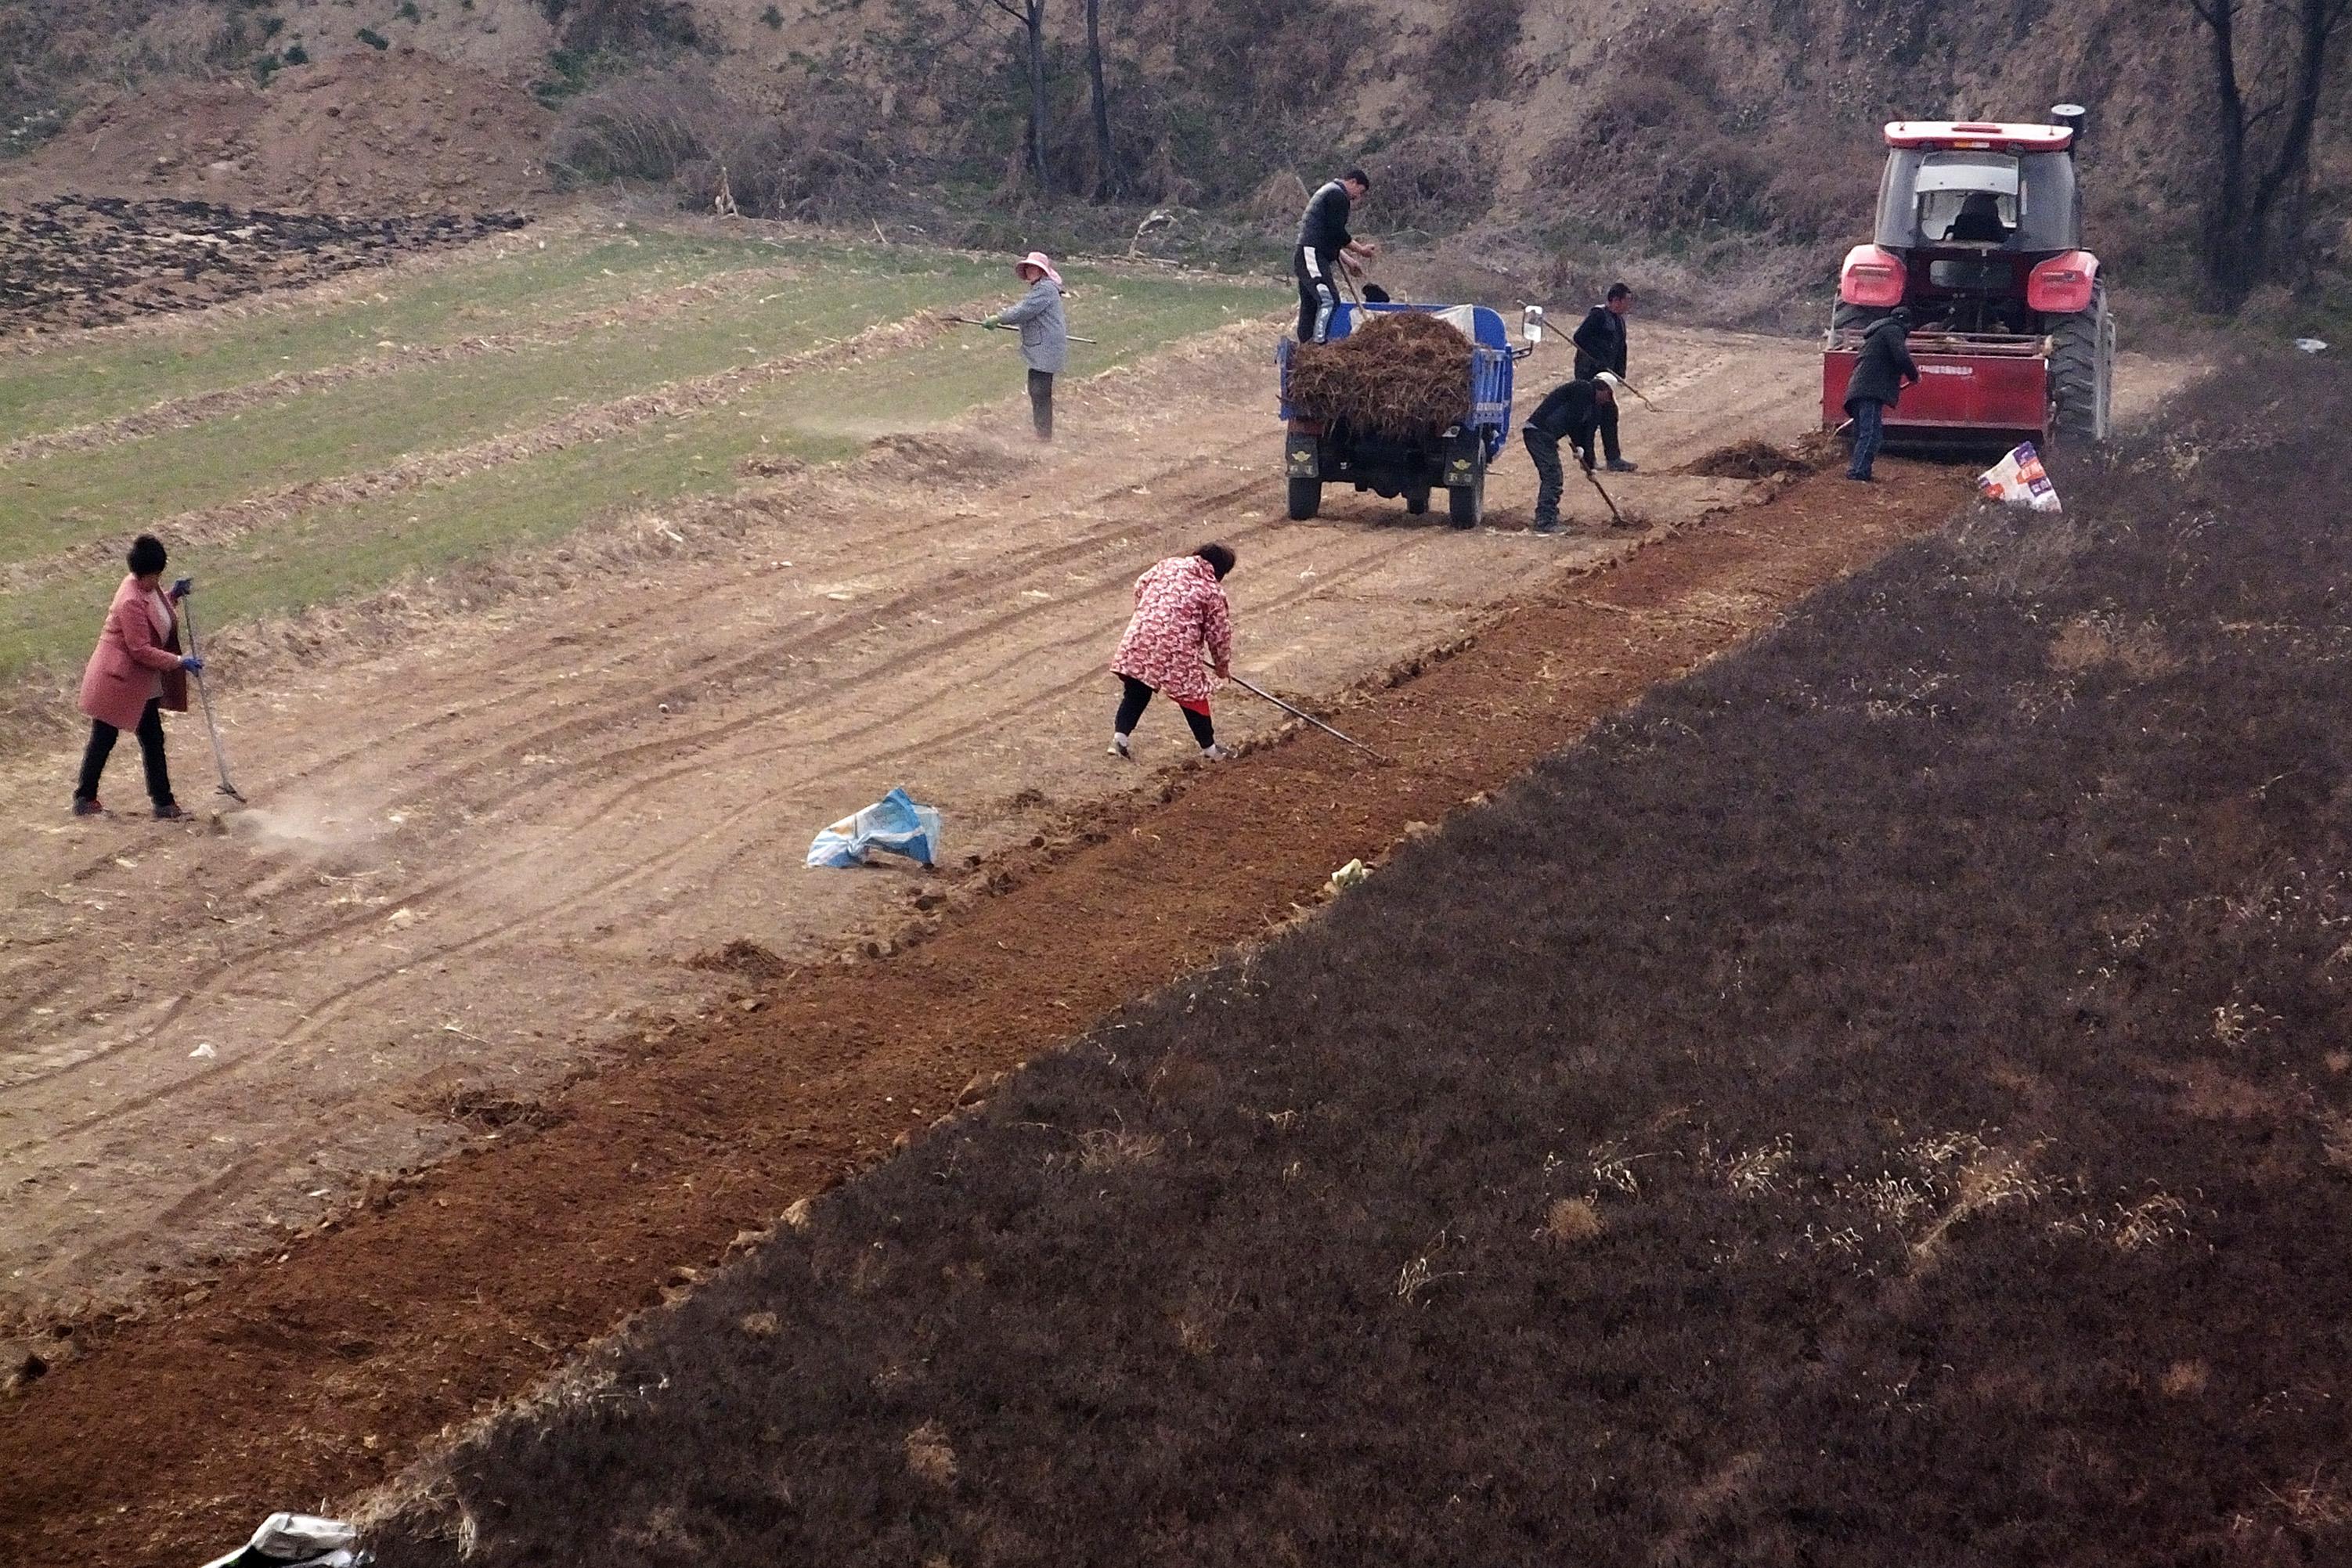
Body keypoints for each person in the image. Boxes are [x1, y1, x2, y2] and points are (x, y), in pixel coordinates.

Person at [73, 534, 202, 819]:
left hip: (135, 682)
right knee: (109, 737)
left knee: (146, 737)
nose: (157, 582)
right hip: (118, 681)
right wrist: (180, 662)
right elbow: (140, 649)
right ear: (143, 573)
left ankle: (158, 802)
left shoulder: (143, 587)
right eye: (156, 577)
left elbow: (152, 613)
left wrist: (173, 596)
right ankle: (158, 803)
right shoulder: (130, 598)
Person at [1109, 544, 1236, 762]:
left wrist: (1149, 613)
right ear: (1220, 571)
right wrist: (1222, 666)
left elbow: (1140, 586)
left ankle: (1119, 741)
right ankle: (1210, 749)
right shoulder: (1212, 591)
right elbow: (1219, 635)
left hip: (1140, 635)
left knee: (1137, 690)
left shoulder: (1168, 565)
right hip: (1177, 650)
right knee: (1193, 697)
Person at [983, 251, 1068, 441]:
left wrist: (999, 318)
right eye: (1028, 267)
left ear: (1042, 271)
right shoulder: (1044, 288)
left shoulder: (1045, 289)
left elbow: (1024, 310)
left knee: (1039, 392)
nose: (1030, 271)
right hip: (1043, 348)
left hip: (1045, 349)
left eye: (1034, 268)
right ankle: (1042, 434)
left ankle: (1044, 437)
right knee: (1038, 392)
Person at [1521, 375, 1622, 534]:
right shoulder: (1582, 388)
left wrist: (1590, 465)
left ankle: (1548, 517)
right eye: (1609, 396)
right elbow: (1573, 419)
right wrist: (1578, 445)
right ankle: (1545, 521)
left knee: (1553, 475)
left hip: (1548, 436)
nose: (1608, 401)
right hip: (1538, 432)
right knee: (1553, 476)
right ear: (1603, 389)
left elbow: (1587, 437)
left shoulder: (1594, 409)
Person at [1293, 169, 1379, 344]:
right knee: (1329, 300)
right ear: (1353, 182)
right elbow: (1337, 233)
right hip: (1312, 255)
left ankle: (1305, 345)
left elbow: (1328, 236)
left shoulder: (1329, 191)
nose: (1358, 198)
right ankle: (1319, 345)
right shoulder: (1338, 196)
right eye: (1360, 192)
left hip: (1310, 254)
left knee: (1311, 304)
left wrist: (1348, 260)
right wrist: (1361, 250)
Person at [1843, 308, 1920, 482]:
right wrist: (1914, 376)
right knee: (1871, 433)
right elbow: (1901, 357)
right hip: (1869, 390)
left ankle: (1860, 469)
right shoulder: (1893, 330)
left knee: (1864, 432)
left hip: (1859, 388)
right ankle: (1858, 472)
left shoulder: (1877, 333)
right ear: (1906, 324)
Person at [1571, 282, 1639, 472]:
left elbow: (1621, 348)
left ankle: (1613, 459)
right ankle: (1590, 460)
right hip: (1590, 376)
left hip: (1606, 376)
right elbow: (1580, 338)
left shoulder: (1619, 320)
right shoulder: (1598, 315)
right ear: (1615, 300)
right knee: (1591, 417)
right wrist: (1597, 360)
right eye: (1626, 301)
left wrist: (1620, 373)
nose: (1628, 306)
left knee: (1609, 414)